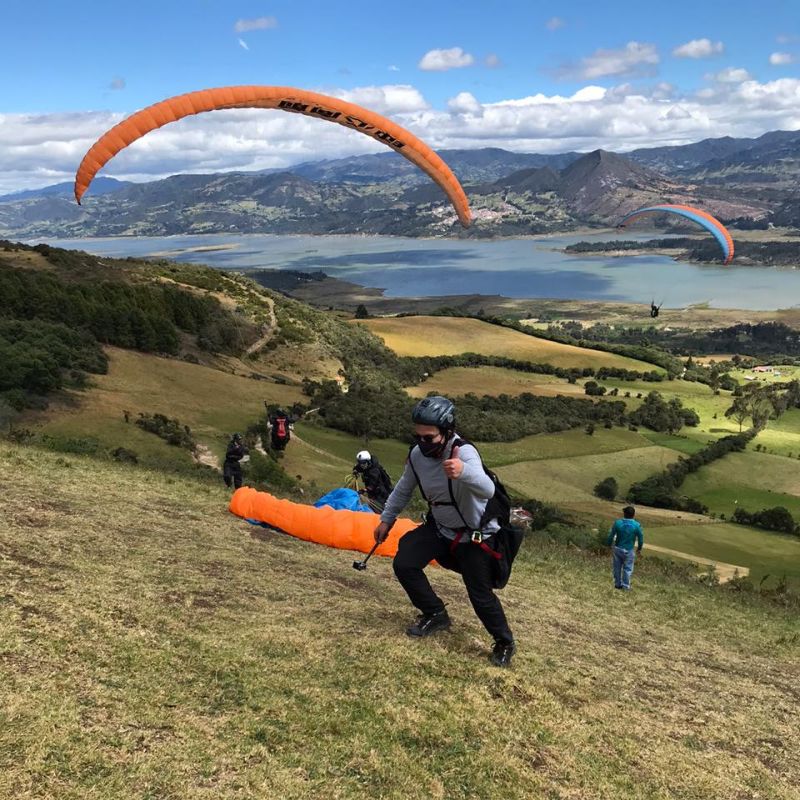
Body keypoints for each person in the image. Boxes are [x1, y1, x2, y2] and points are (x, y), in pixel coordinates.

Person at [374, 395, 516, 668]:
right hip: (440, 529)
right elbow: (403, 489)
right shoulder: (417, 455)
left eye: (429, 438)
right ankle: (435, 613)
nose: (423, 444)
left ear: (447, 431)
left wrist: (463, 472)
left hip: (474, 535)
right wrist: (386, 520)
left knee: (480, 594)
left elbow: (487, 489)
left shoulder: (463, 453)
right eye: (418, 437)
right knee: (405, 562)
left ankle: (504, 642)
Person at [606, 505, 644, 590]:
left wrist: (608, 544)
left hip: (618, 548)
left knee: (617, 567)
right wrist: (639, 548)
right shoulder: (637, 525)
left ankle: (617, 584)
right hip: (629, 550)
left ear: (624, 514)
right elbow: (641, 538)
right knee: (627, 569)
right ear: (633, 515)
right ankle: (626, 586)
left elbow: (611, 535)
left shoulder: (617, 523)